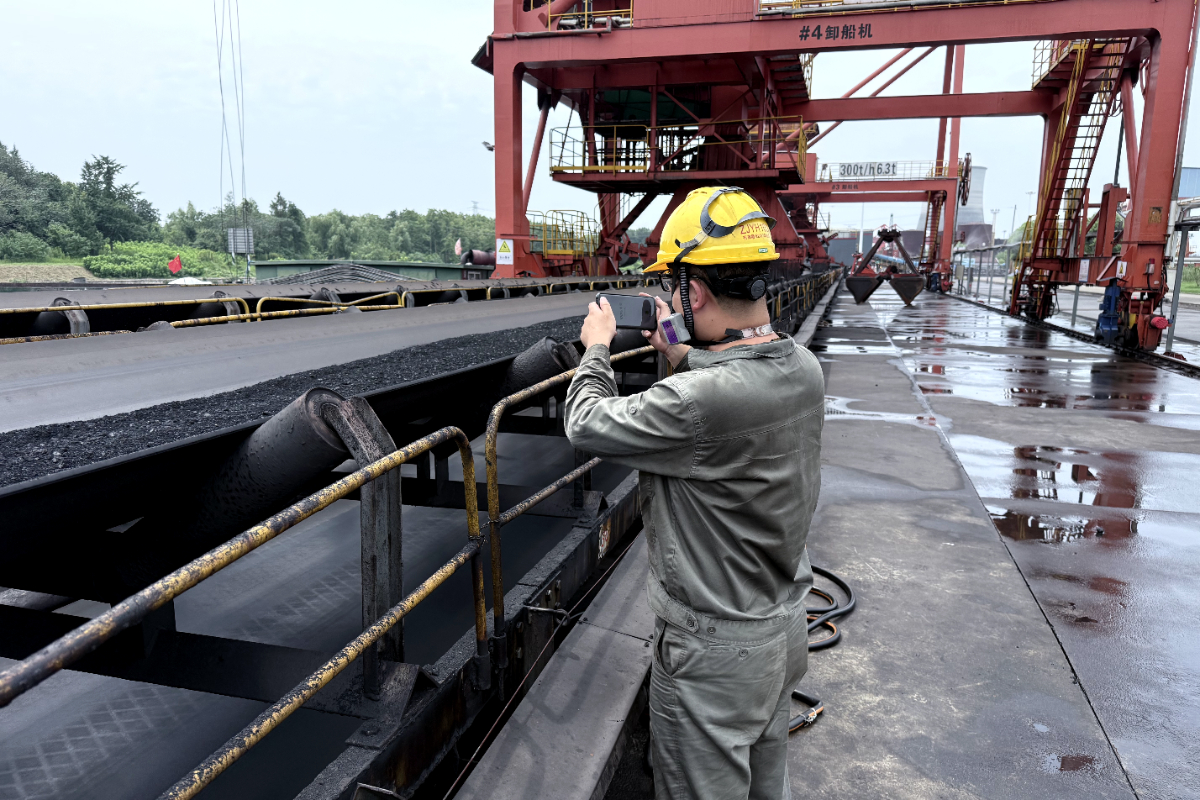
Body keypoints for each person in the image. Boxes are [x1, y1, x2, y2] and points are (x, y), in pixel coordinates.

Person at [563, 186, 825, 800]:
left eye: (673, 284)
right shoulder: (804, 371)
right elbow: (731, 399)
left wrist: (596, 347)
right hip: (782, 631)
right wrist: (681, 353)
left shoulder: (695, 401)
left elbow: (586, 424)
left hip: (713, 658)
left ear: (696, 293)